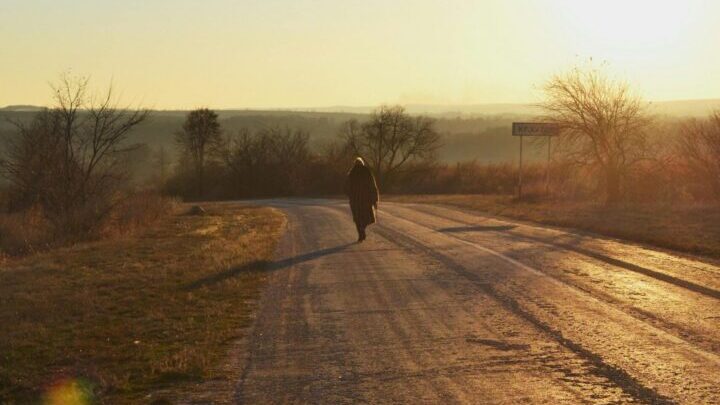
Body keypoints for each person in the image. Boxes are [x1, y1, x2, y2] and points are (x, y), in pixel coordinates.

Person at [344, 157, 379, 242]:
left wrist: (350, 195)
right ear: (362, 163)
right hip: (366, 199)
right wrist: (375, 198)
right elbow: (372, 185)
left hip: (355, 200)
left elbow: (347, 187)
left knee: (357, 217)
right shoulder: (367, 172)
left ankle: (361, 233)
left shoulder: (351, 173)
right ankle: (363, 228)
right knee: (367, 216)